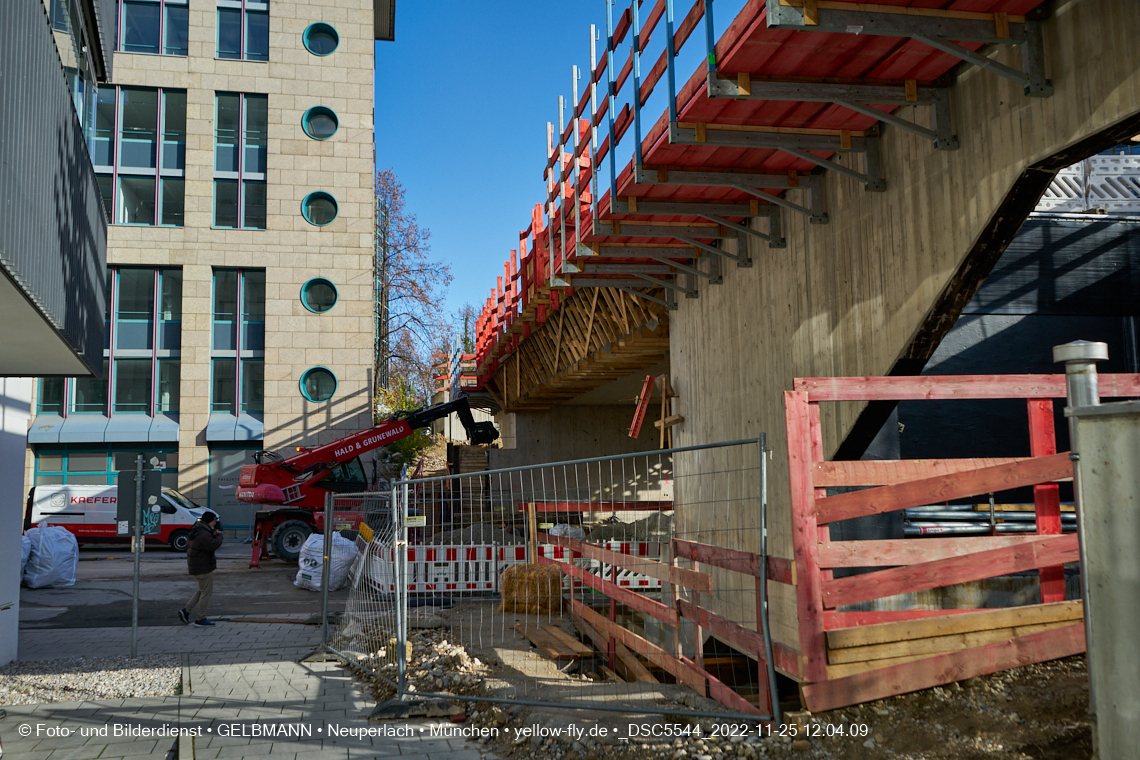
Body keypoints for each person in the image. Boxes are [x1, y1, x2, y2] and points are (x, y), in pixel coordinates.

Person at [179, 511, 224, 627]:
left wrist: (213, 534)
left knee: (202, 590)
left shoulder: (198, 530)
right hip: (203, 566)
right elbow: (212, 545)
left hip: (197, 566)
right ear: (210, 521)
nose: (215, 523)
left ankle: (186, 610)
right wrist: (219, 535)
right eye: (214, 521)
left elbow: (205, 543)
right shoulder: (203, 533)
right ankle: (201, 618)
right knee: (206, 592)